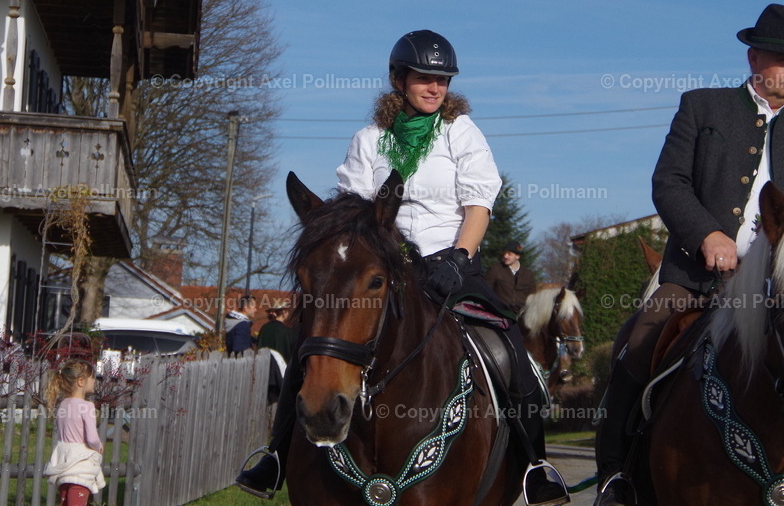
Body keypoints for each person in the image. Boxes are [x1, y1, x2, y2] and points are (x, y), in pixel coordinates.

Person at [236, 29, 569, 506]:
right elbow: (352, 208)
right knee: (313, 340)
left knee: (506, 348)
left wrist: (460, 256)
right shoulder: (369, 140)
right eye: (423, 78)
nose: (434, 88)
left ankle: (535, 465)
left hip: (452, 264)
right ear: (397, 79)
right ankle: (274, 454)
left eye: (442, 80)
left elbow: (479, 203)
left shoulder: (461, 132)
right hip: (385, 265)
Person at [593, 4, 784, 506]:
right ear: (754, 56)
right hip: (696, 276)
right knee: (638, 341)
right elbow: (668, 182)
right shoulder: (702, 107)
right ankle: (616, 476)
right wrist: (707, 235)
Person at [44, 359, 106, 505]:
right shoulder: (87, 406)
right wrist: (99, 446)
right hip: (80, 464)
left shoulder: (62, 405)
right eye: (92, 378)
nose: (94, 381)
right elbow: (91, 438)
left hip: (64, 462)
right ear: (81, 381)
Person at [486, 240, 537, 315]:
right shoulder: (495, 270)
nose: (505, 256)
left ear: (517, 256)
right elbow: (486, 291)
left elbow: (532, 296)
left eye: (509, 254)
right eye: (504, 253)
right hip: (499, 314)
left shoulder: (528, 274)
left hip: (522, 317)